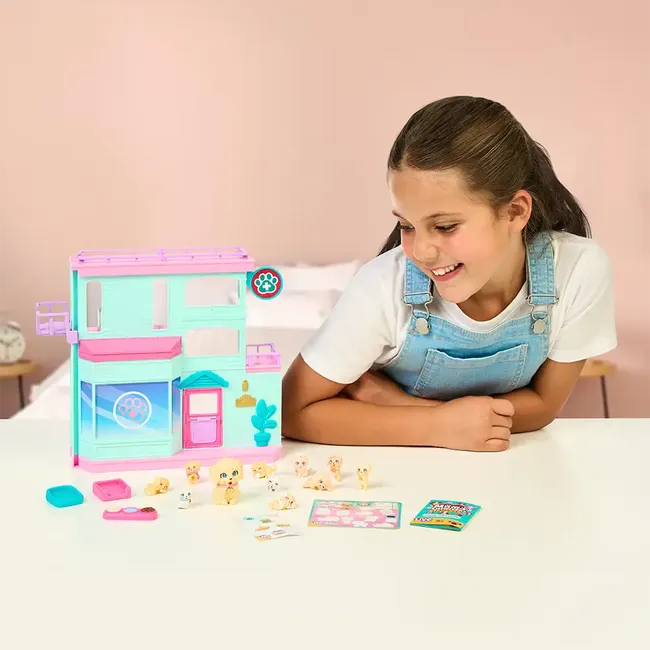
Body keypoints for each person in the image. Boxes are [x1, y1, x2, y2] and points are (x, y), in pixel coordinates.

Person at [281, 96, 616, 452]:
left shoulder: (577, 269)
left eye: (445, 226)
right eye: (407, 226)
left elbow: (544, 406)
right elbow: (291, 412)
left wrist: (402, 406)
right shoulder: (382, 285)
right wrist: (436, 427)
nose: (421, 252)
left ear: (516, 211)